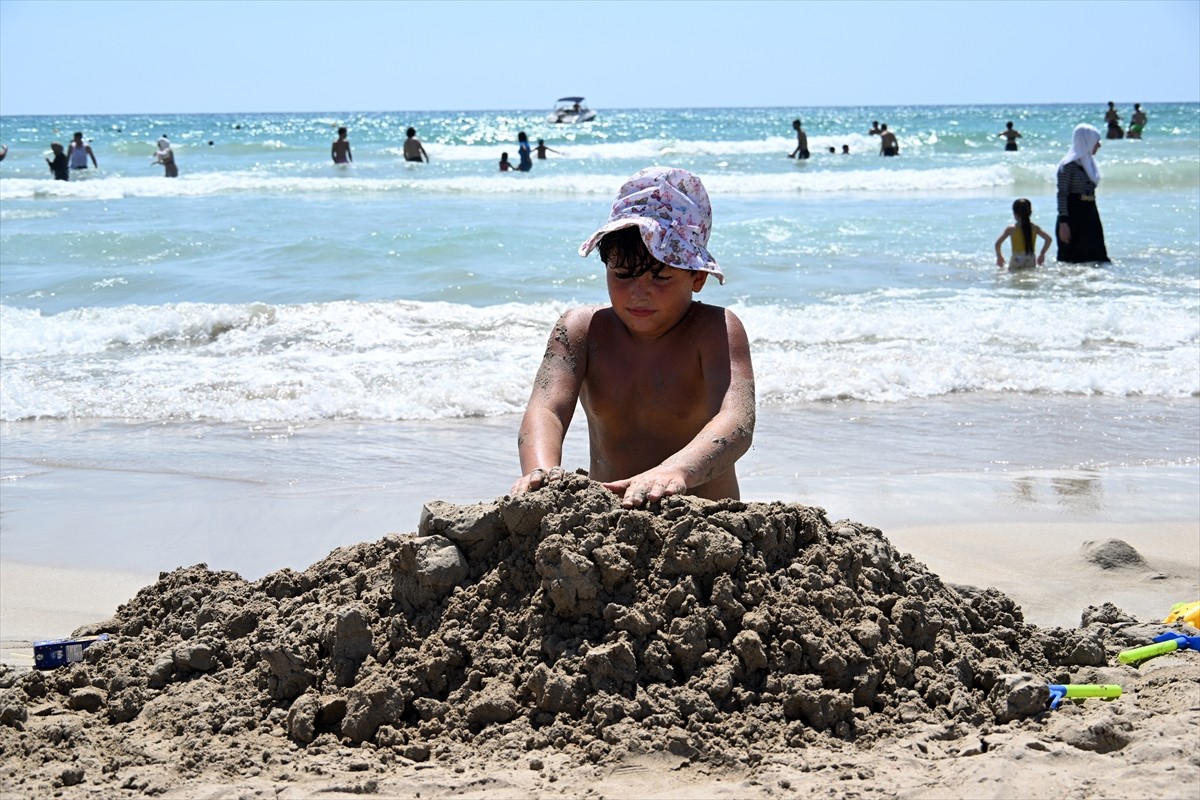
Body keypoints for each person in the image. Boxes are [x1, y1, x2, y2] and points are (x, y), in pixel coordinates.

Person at [511, 166, 756, 509]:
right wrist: (541, 471)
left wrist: (676, 471)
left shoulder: (715, 330)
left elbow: (737, 420)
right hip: (612, 516)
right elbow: (547, 408)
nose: (638, 293)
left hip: (704, 519)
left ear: (697, 276)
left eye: (660, 277)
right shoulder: (582, 330)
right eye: (623, 275)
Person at [1056, 124, 1109, 263]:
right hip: (1073, 216)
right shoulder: (1068, 165)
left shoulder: (1089, 164)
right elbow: (1062, 194)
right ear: (1087, 141)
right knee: (1072, 261)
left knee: (1097, 259)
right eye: (1096, 141)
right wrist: (1063, 223)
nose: (1099, 145)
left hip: (1090, 214)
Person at [994, 198, 1052, 269]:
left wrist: (999, 256)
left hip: (1017, 258)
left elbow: (997, 244)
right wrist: (1042, 254)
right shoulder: (1034, 227)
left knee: (1014, 278)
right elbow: (1048, 239)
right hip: (1030, 258)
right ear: (1030, 212)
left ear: (1014, 213)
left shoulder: (1011, 229)